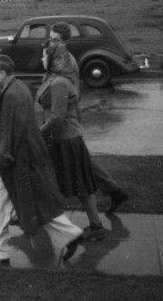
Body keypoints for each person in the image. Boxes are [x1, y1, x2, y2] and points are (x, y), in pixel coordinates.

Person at [0, 55, 83, 266]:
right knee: (31, 202)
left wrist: (3, 157)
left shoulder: (12, 95)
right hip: (23, 157)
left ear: (2, 74)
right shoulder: (18, 88)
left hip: (13, 160)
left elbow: (10, 130)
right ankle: (71, 234)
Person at [47, 21, 129, 215]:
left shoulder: (67, 61)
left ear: (65, 41)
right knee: (83, 162)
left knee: (77, 163)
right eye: (50, 39)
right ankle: (114, 191)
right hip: (67, 118)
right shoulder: (57, 58)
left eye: (56, 40)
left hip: (68, 119)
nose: (52, 43)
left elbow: (72, 92)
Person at [36, 39, 109, 241]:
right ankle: (90, 225)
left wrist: (37, 134)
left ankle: (93, 227)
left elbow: (57, 119)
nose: (41, 58)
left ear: (55, 59)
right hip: (63, 139)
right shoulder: (51, 78)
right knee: (71, 184)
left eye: (44, 55)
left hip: (65, 141)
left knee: (77, 186)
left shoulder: (59, 83)